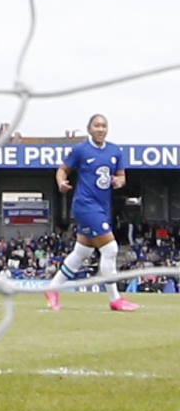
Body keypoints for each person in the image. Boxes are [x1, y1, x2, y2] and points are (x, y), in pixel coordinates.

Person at [49, 115, 138, 314]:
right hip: (85, 205)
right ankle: (115, 299)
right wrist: (61, 182)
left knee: (82, 252)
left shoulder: (115, 151)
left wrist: (119, 181)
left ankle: (52, 289)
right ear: (89, 129)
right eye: (96, 125)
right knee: (110, 249)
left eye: (104, 125)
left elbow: (122, 175)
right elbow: (62, 170)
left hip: (103, 207)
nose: (100, 129)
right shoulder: (80, 150)